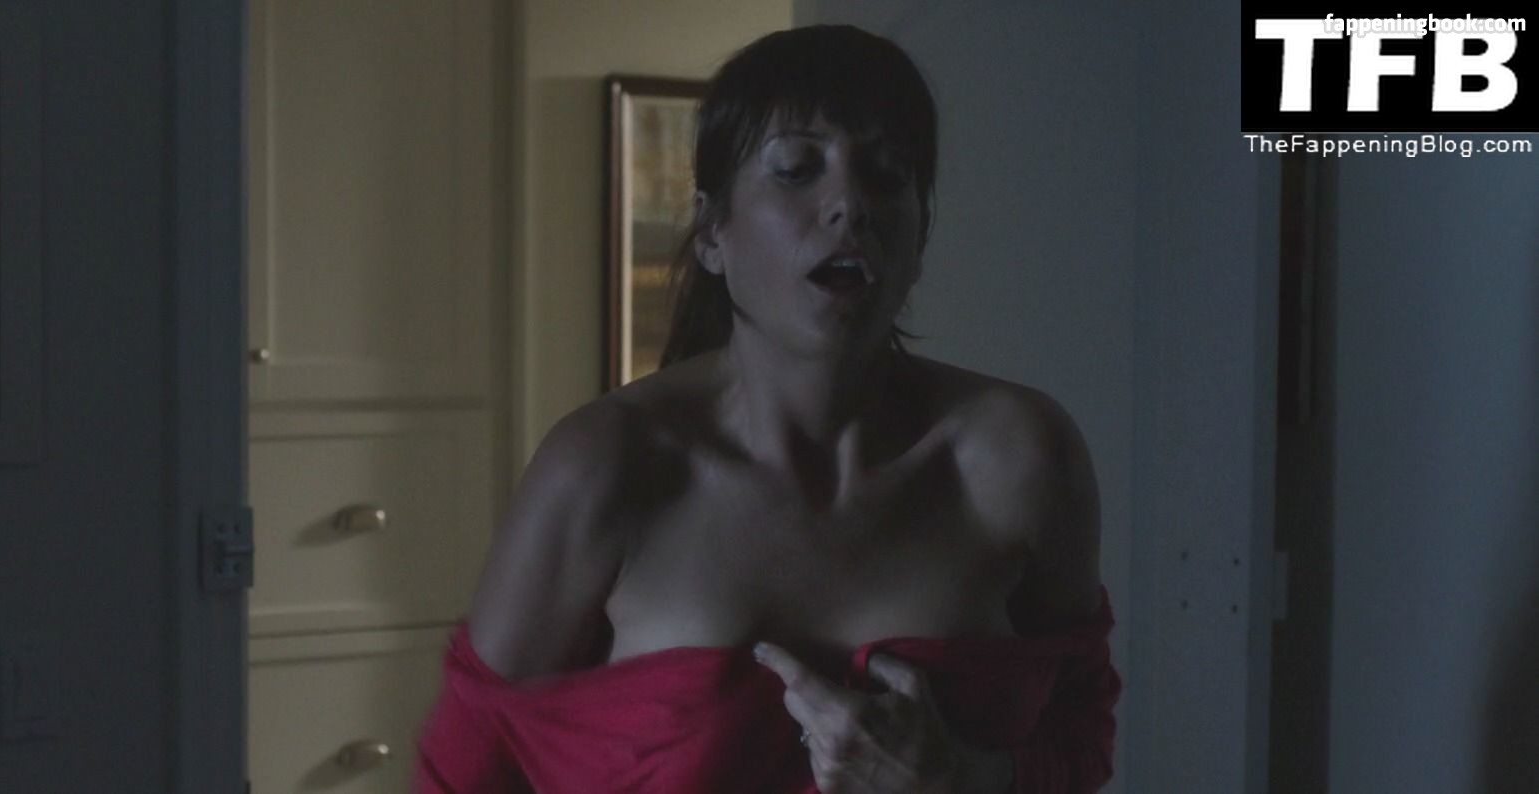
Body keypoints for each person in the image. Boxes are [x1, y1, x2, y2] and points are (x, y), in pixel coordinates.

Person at [416, 24, 1120, 794]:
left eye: (886, 174)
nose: (849, 203)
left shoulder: (1021, 459)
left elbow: (1081, 738)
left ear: (920, 240)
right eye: (795, 170)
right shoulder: (604, 468)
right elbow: (461, 774)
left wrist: (960, 779)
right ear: (711, 231)